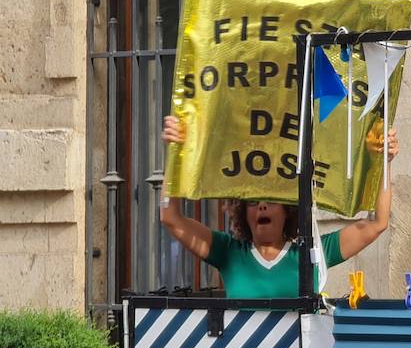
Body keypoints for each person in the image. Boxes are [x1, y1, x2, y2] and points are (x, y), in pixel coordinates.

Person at [160, 114, 398, 297]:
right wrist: (174, 152)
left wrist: (384, 162)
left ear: (287, 210)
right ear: (243, 213)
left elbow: (378, 223)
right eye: (253, 202)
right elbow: (170, 218)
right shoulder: (229, 253)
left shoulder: (313, 253)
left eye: (271, 201)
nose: (262, 206)